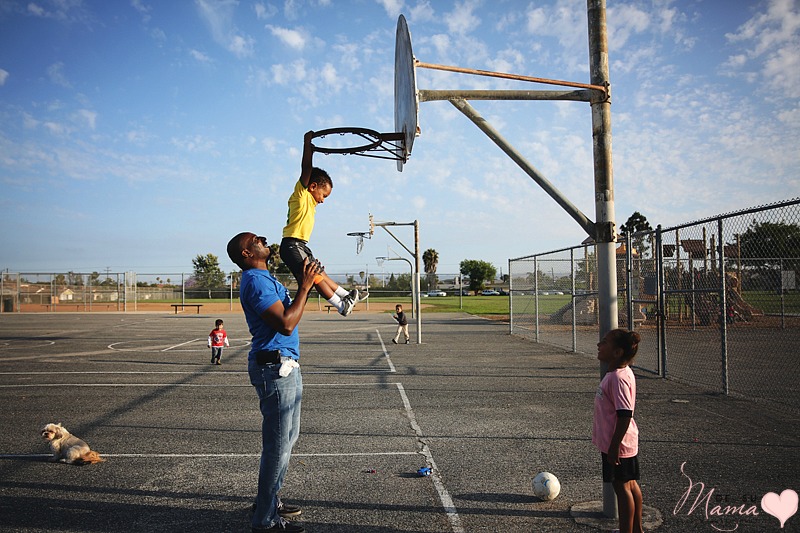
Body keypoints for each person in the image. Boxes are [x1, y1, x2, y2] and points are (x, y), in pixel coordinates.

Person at [228, 231, 319, 533]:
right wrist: (305, 287)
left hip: (286, 364)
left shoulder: (266, 279)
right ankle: (264, 521)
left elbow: (289, 315)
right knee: (277, 447)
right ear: (246, 253)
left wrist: (305, 283)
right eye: (257, 238)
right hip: (274, 367)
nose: (264, 239)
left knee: (287, 441)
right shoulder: (254, 281)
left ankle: (268, 502)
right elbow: (286, 321)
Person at [279, 131, 367, 317]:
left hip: (300, 245)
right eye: (323, 195)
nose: (323, 200)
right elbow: (306, 168)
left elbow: (313, 182)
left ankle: (346, 295)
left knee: (320, 271)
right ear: (312, 187)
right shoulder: (302, 195)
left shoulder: (311, 202)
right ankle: (341, 305)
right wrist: (308, 146)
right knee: (315, 276)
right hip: (291, 245)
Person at [592, 328, 644, 533]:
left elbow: (624, 415)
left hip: (618, 444)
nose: (599, 345)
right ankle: (637, 529)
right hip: (618, 442)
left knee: (622, 489)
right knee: (630, 485)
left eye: (604, 342)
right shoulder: (617, 373)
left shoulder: (618, 378)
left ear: (617, 353)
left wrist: (614, 447)